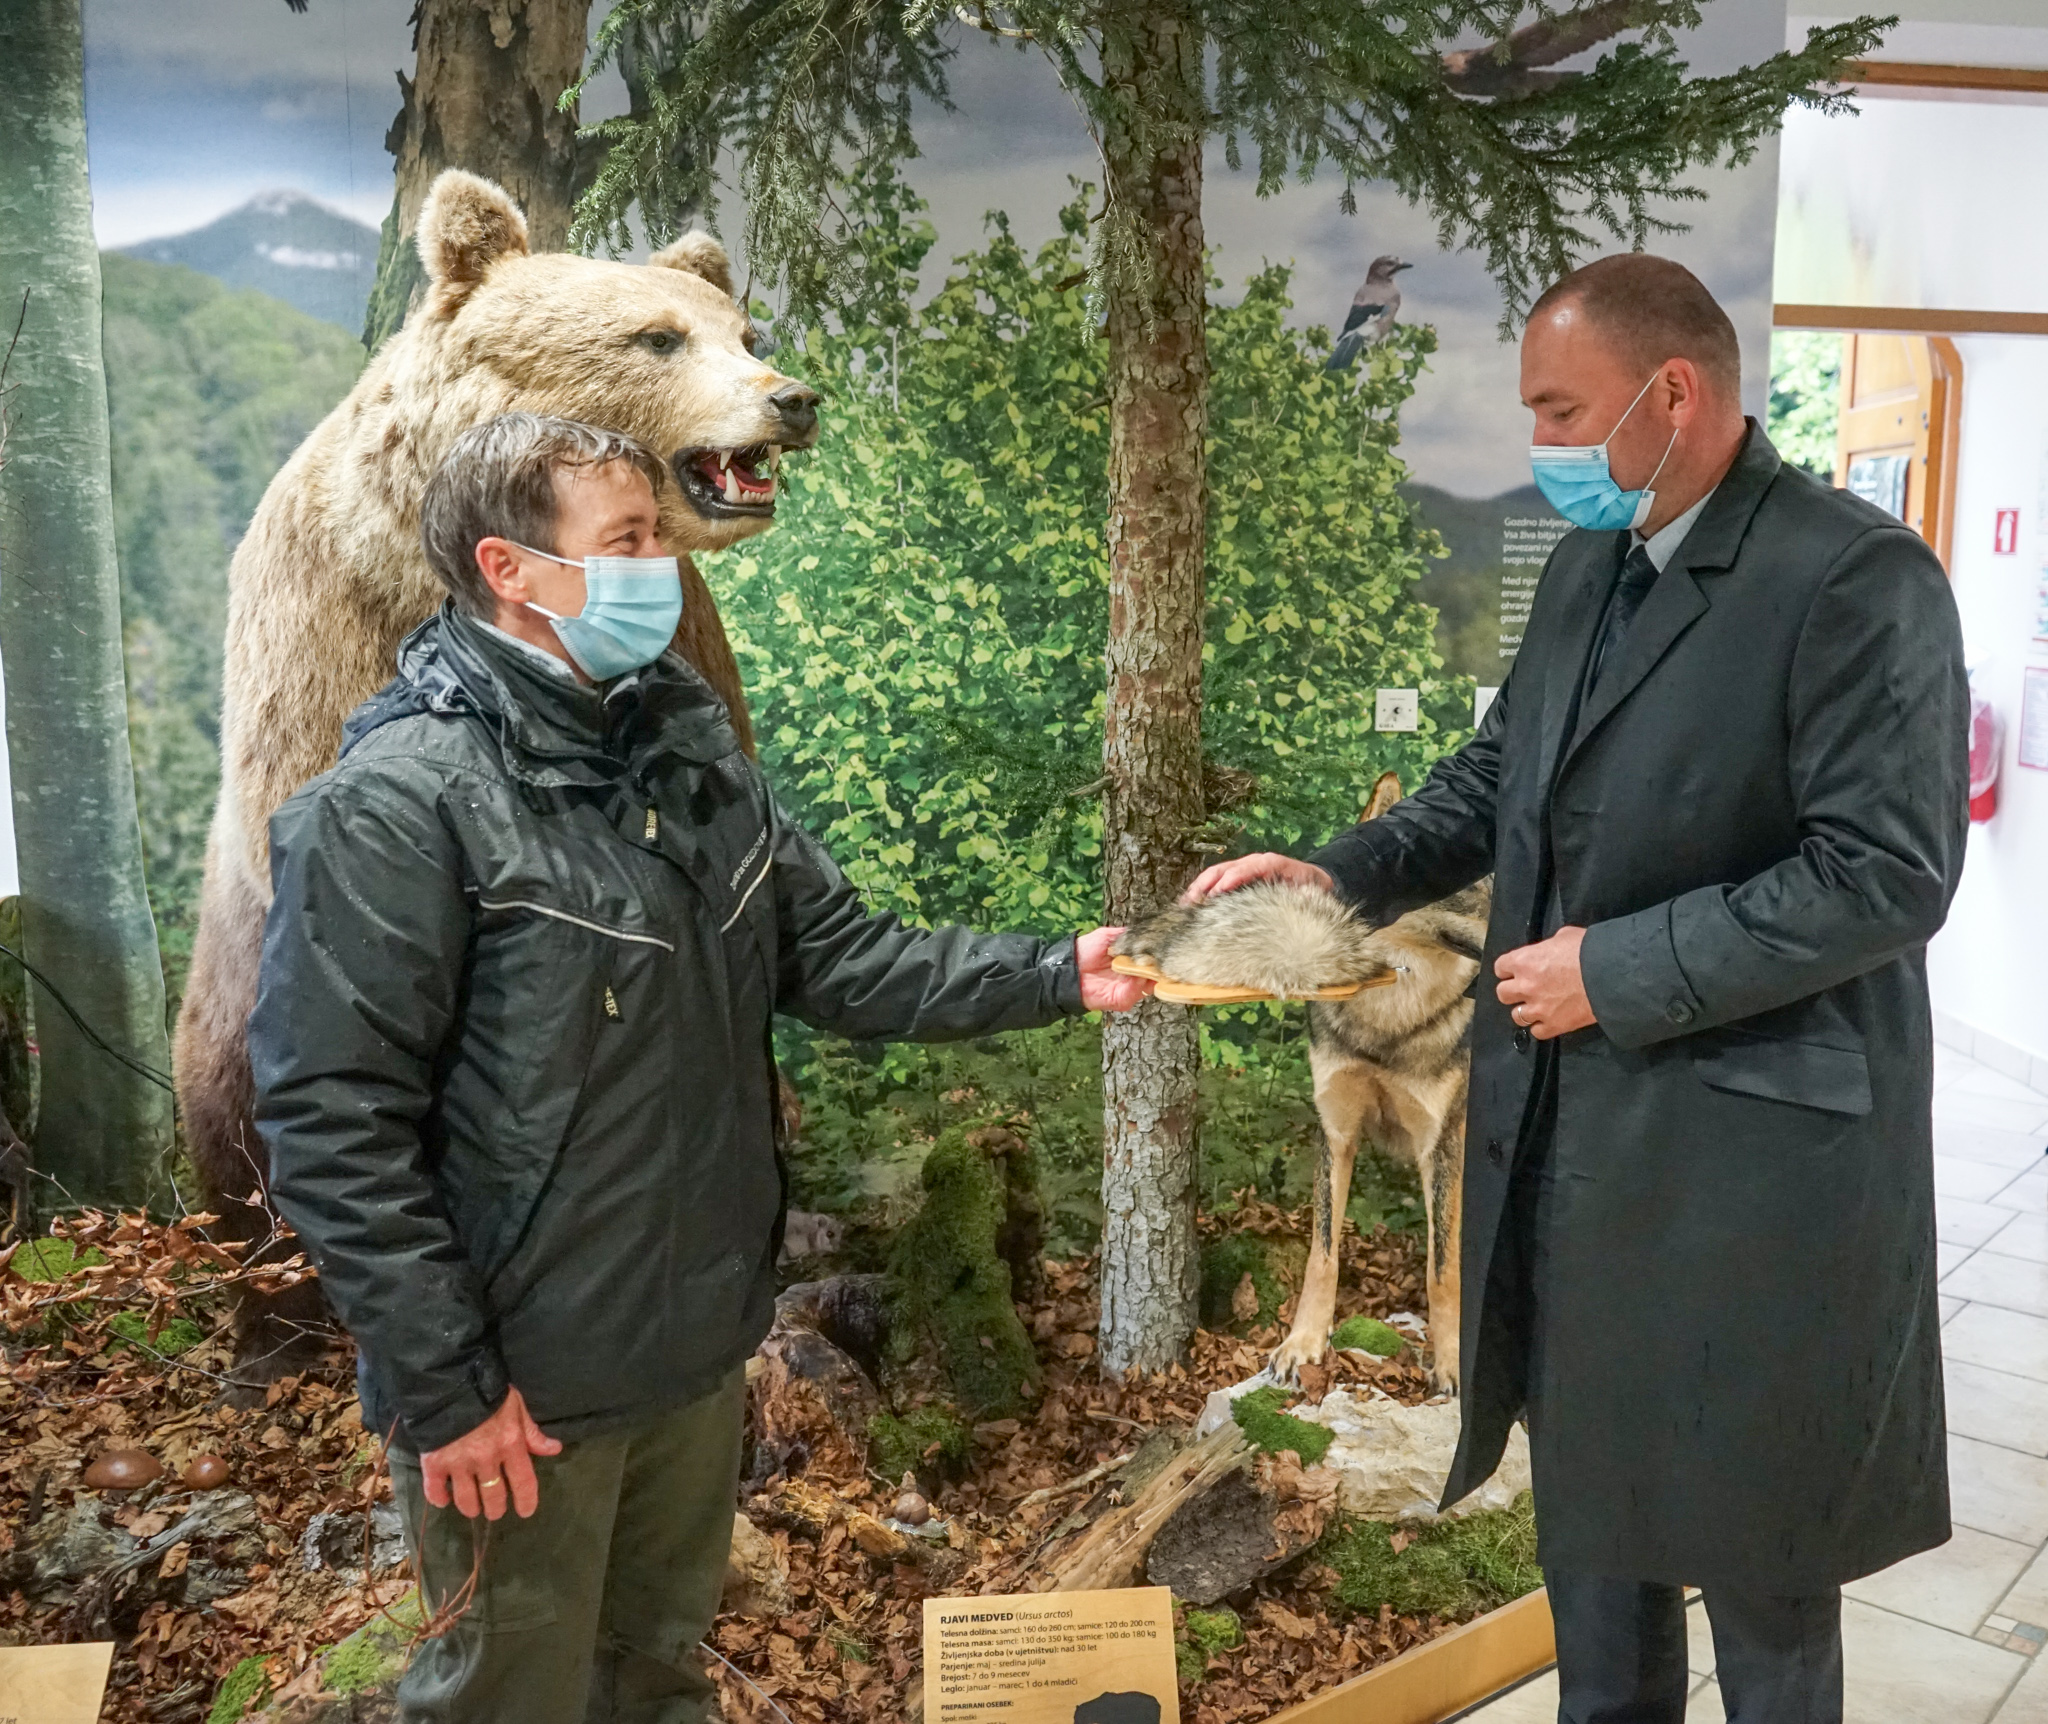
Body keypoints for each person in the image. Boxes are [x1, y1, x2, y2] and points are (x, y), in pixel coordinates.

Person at [248, 412, 1153, 1724]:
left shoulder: (689, 754)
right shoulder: (398, 804)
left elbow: (844, 959)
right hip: (521, 1390)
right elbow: (332, 1124)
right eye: (625, 539)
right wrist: (447, 1391)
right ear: (511, 568)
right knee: (511, 1698)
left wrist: (1063, 970)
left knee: (656, 1679)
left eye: (658, 534)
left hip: (692, 1353)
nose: (661, 565)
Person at [1188, 255, 1968, 1723]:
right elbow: (1496, 779)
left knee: (1760, 1574)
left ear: (1673, 393)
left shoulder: (1854, 578)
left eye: (1560, 410)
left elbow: (1884, 874)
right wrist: (1332, 877)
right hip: (1575, 1154)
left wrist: (1615, 968)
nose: (1540, 443)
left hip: (1751, 1171)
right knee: (1597, 1556)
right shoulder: (1590, 567)